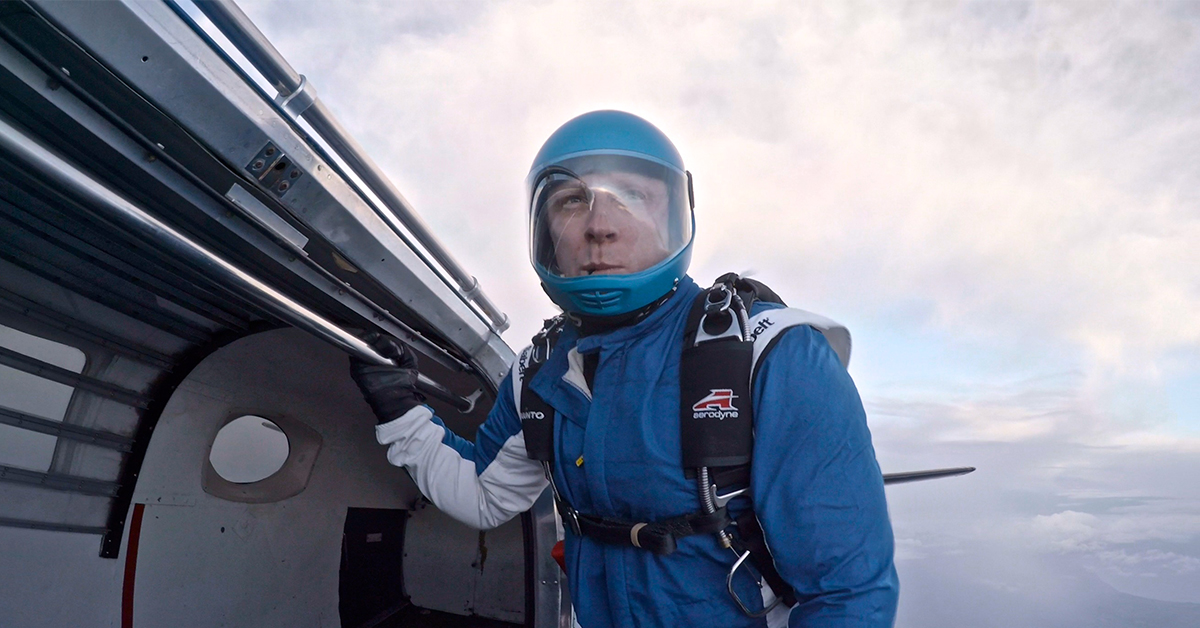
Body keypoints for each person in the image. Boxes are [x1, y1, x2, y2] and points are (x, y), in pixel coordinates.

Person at [351, 110, 899, 627]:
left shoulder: (767, 354)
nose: (600, 227)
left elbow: (847, 592)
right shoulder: (539, 373)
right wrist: (400, 409)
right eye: (570, 202)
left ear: (673, 215)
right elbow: (483, 491)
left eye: (632, 196)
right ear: (544, 230)